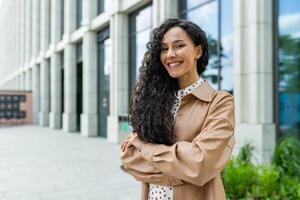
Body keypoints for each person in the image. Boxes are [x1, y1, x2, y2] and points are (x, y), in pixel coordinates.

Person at [120, 18, 235, 200]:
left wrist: (145, 147)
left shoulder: (219, 102)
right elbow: (130, 159)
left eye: (179, 46)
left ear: (198, 51)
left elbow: (201, 162)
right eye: (164, 49)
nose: (170, 54)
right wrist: (182, 169)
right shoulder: (152, 102)